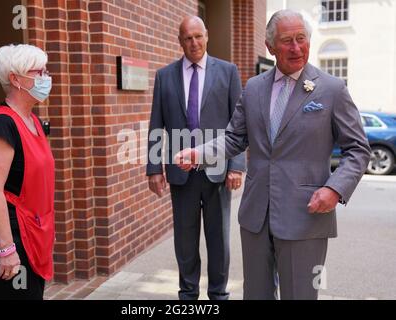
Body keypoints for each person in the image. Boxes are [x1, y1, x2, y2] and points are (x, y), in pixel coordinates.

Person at [175, 10, 371, 300]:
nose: (296, 48)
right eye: (287, 41)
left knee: (300, 295)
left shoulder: (332, 90)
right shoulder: (253, 88)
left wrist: (334, 188)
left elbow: (358, 149)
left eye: (301, 39)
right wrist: (199, 152)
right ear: (270, 47)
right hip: (256, 215)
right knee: (255, 294)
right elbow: (234, 139)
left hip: (306, 215)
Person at [146, 16, 245, 300]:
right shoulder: (165, 76)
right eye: (187, 38)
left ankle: (218, 295)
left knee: (218, 240)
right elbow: (156, 124)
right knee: (185, 241)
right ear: (180, 41)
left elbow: (238, 125)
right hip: (181, 173)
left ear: (207, 36)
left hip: (217, 170)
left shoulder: (227, 72)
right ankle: (188, 296)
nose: (194, 43)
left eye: (198, 36)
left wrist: (236, 165)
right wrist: (154, 168)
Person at [0, 44, 55, 300]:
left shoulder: (34, 121)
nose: (46, 77)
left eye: (46, 71)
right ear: (15, 79)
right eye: (39, 72)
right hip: (7, 240)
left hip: (33, 233)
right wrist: (6, 250)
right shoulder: (2, 124)